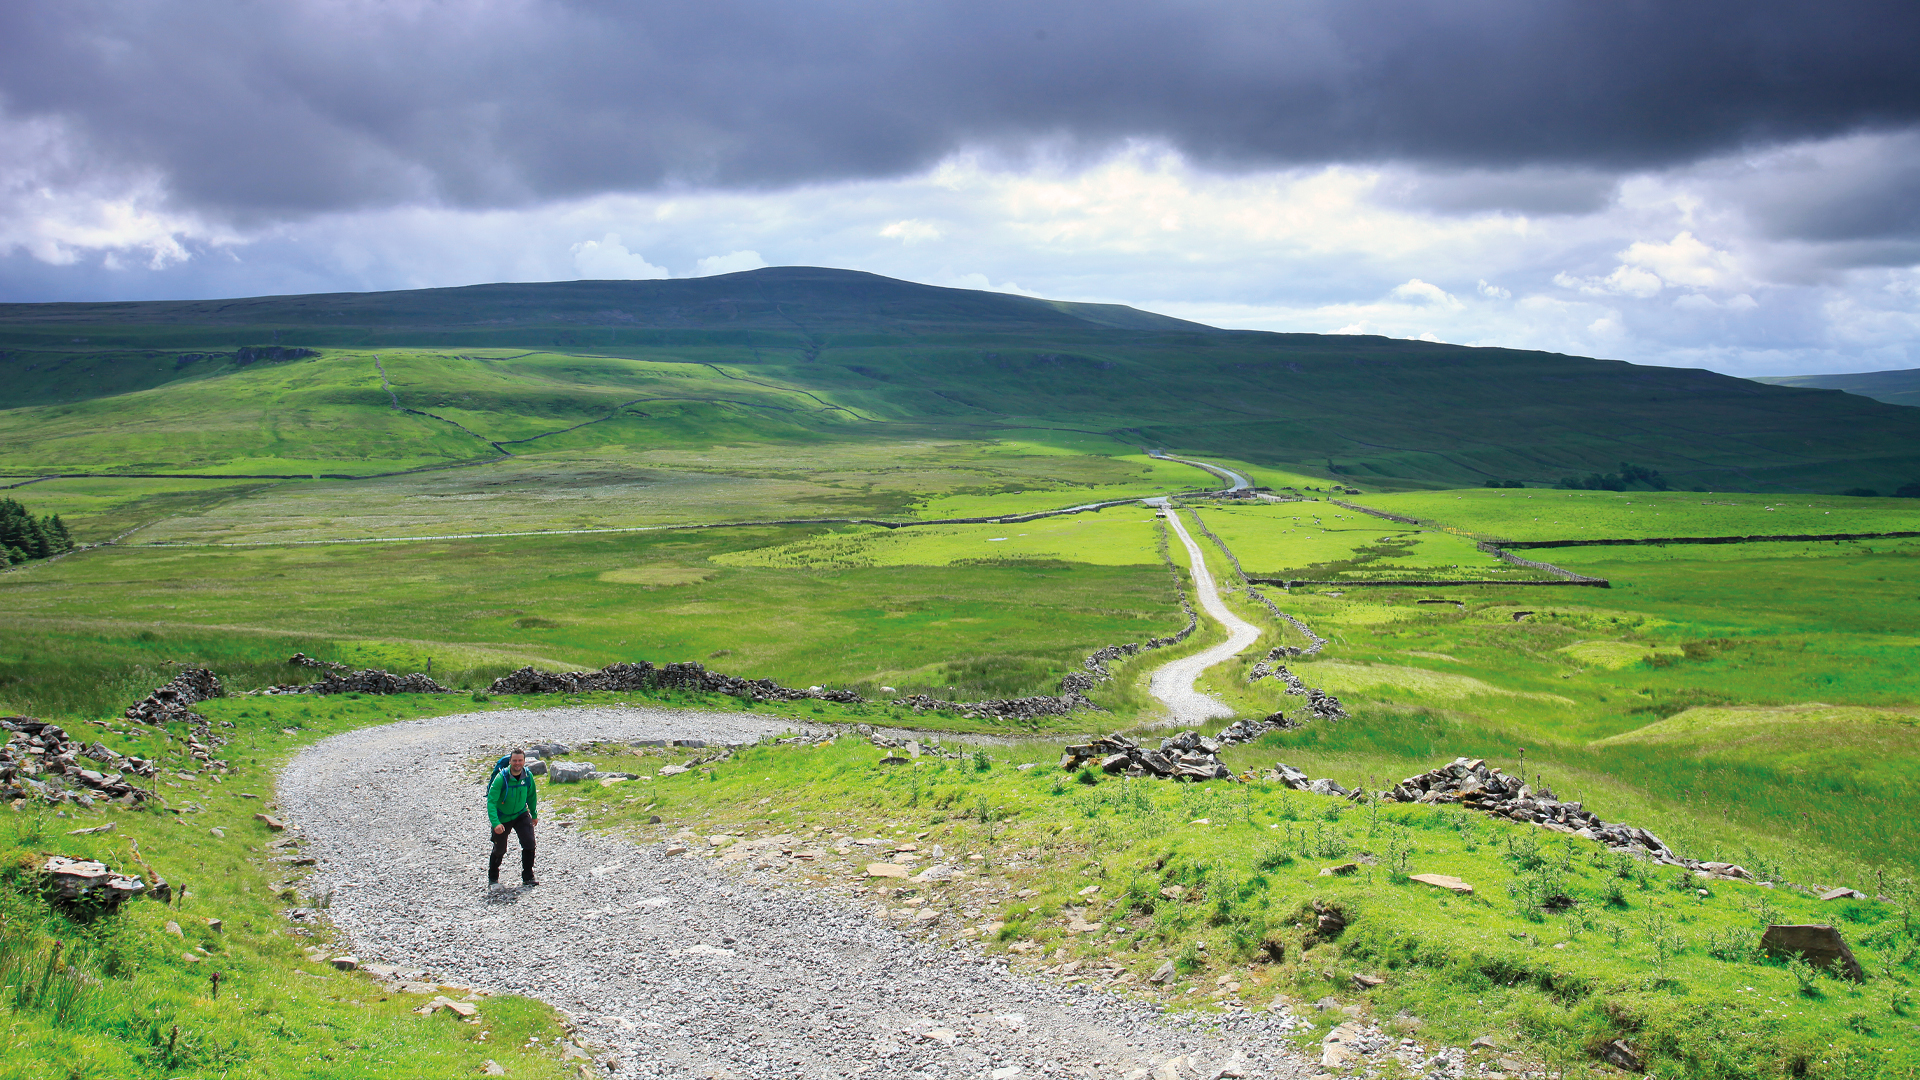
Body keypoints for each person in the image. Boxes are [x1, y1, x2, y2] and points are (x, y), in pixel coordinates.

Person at [487, 748, 539, 888]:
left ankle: (528, 876)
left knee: (529, 843)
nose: (517, 763)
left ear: (524, 761)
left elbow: (531, 796)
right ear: (510, 761)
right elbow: (491, 802)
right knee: (500, 849)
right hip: (502, 817)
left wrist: (533, 814)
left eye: (520, 760)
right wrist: (496, 823)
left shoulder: (527, 776)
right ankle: (493, 879)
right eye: (514, 760)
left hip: (521, 813)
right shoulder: (500, 779)